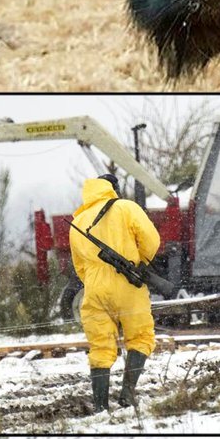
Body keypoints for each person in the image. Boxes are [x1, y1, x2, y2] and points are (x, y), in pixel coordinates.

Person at [69, 173, 160, 412]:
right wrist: (141, 263)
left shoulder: (78, 221)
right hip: (127, 284)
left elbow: (79, 265)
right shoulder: (126, 207)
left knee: (100, 346)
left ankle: (100, 406)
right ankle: (128, 394)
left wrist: (94, 281)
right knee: (140, 337)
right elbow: (151, 240)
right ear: (113, 189)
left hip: (94, 289)